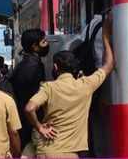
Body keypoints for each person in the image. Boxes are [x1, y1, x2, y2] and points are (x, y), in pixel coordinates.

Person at [25, 18, 114, 158]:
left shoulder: (48, 87)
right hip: (72, 153)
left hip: (47, 151)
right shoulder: (86, 85)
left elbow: (29, 108)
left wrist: (40, 127)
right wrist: (106, 37)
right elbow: (108, 65)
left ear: (55, 68)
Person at [10, 29, 48, 148]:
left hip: (26, 120)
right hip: (30, 122)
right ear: (34, 46)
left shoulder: (27, 64)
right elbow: (30, 99)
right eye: (43, 42)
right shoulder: (33, 67)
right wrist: (38, 125)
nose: (47, 44)